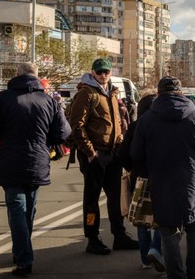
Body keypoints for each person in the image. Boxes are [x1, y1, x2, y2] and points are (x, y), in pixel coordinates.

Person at [131, 77, 195, 279]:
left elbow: (135, 154)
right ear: (180, 93)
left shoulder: (146, 120)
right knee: (194, 228)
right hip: (194, 182)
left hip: (162, 182)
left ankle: (176, 275)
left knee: (168, 232)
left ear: (159, 94)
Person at [0, 62, 71, 276]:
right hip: (37, 161)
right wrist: (45, 143)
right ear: (37, 76)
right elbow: (63, 133)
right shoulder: (49, 101)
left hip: (9, 161)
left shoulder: (0, 99)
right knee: (29, 208)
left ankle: (24, 257)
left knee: (17, 208)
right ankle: (22, 252)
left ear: (16, 75)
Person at [69, 58, 138, 255]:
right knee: (91, 200)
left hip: (113, 154)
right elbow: (77, 126)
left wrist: (120, 142)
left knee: (116, 197)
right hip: (95, 156)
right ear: (93, 73)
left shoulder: (112, 93)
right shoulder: (86, 93)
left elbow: (116, 122)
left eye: (106, 71)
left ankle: (120, 235)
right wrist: (90, 153)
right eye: (99, 72)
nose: (103, 75)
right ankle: (92, 239)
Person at [117, 93, 165, 272]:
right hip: (160, 178)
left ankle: (145, 259)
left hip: (139, 179)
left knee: (141, 220)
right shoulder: (161, 126)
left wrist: (132, 169)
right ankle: (156, 249)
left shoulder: (135, 126)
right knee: (160, 218)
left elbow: (123, 154)